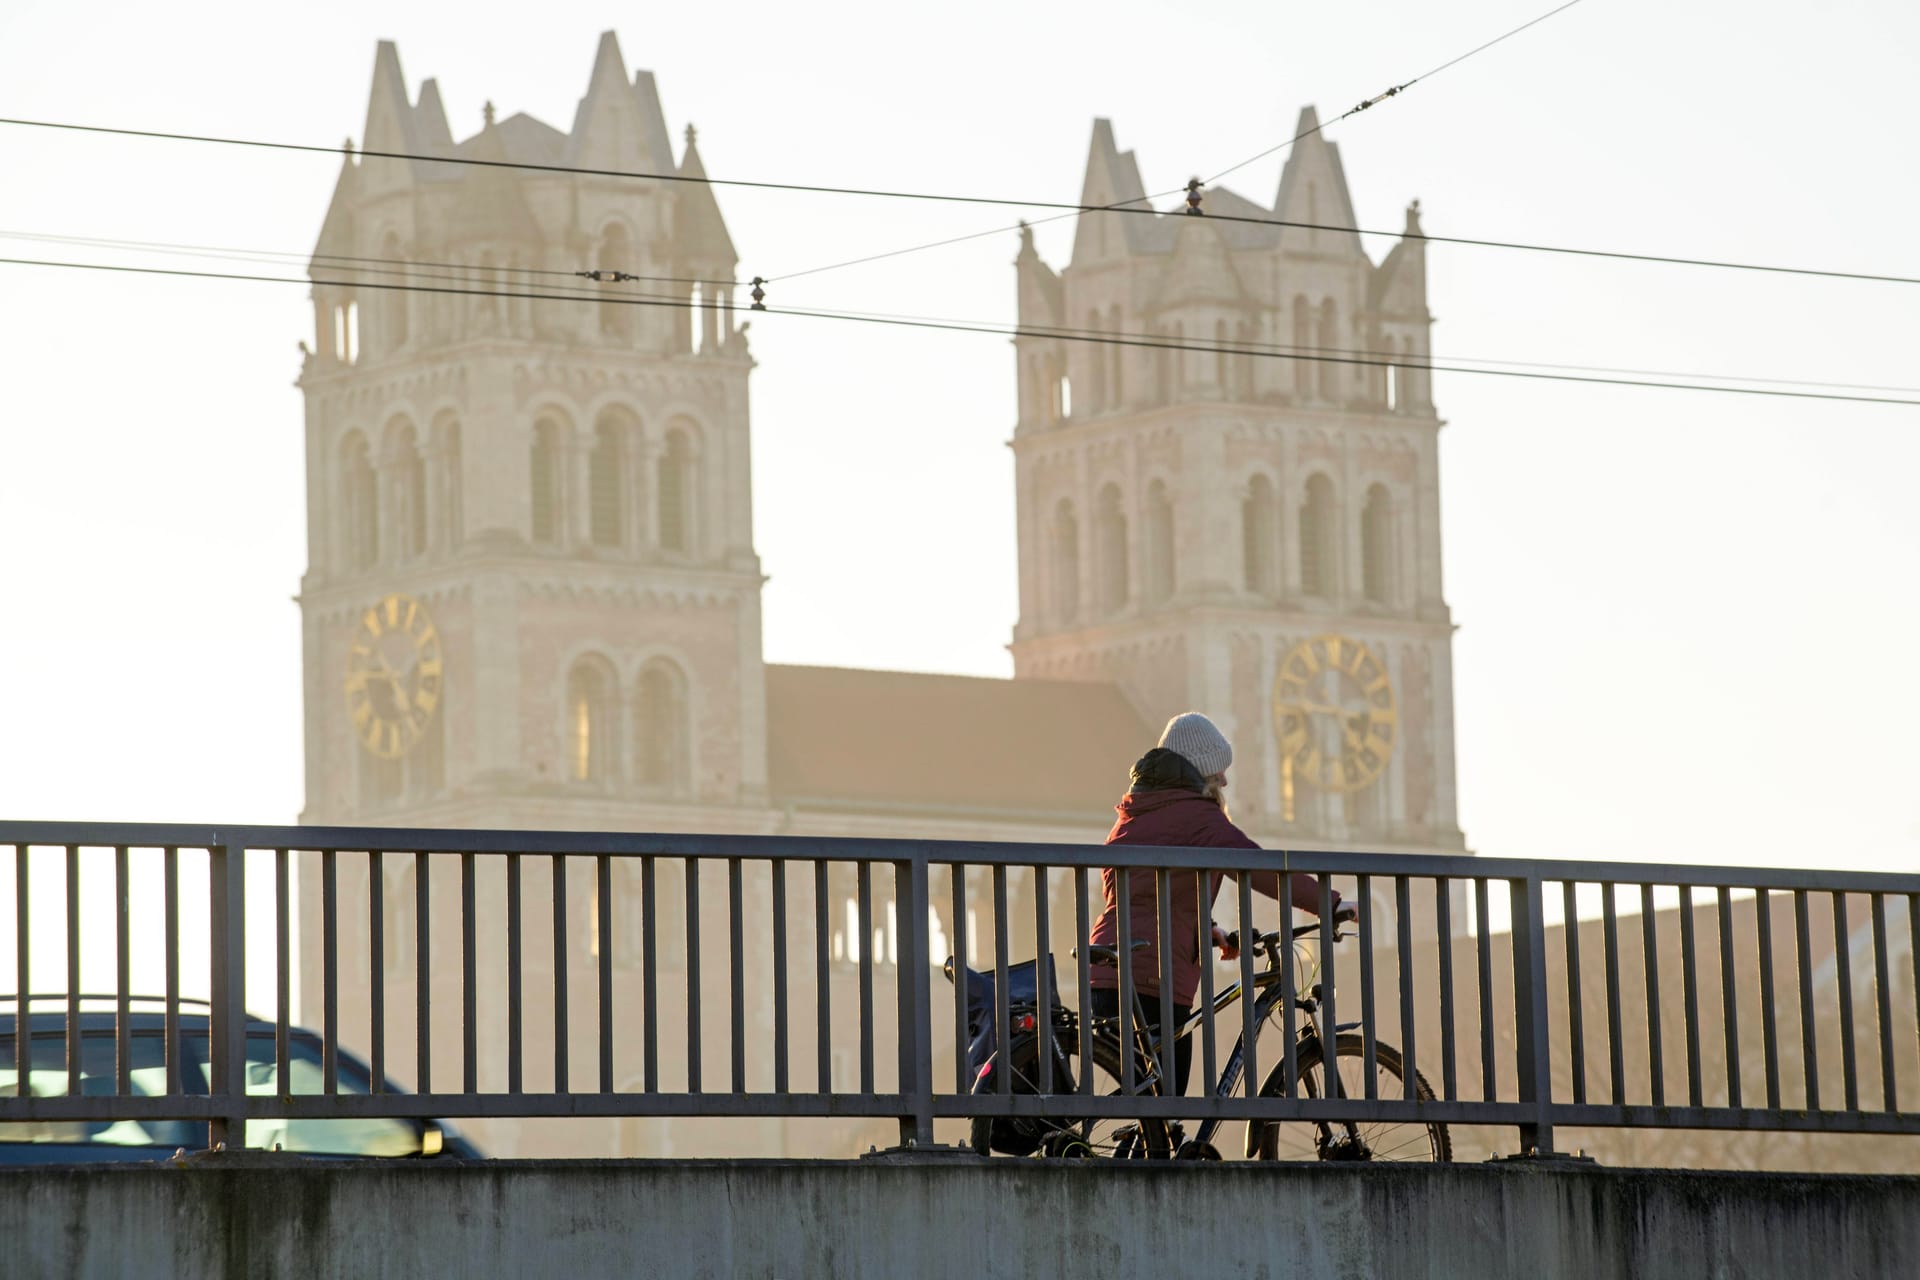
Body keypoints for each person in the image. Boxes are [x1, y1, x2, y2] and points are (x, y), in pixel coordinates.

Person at [1087, 711, 1332, 1097]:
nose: (1225, 780)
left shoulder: (1135, 811)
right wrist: (1329, 903)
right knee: (1164, 1103)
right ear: (1200, 774)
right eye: (1219, 772)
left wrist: (1208, 930)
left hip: (1106, 969)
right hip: (1154, 977)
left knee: (1142, 1099)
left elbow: (1141, 896)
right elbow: (1260, 869)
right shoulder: (1199, 818)